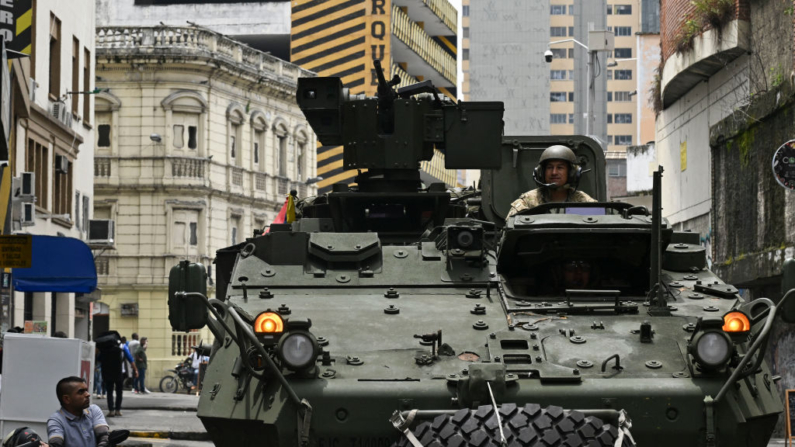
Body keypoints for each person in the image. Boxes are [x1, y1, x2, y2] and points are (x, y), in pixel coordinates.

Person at [507, 145, 596, 218]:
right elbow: (509, 229)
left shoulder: (584, 201)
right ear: (541, 173)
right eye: (549, 168)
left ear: (571, 173)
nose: (554, 172)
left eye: (560, 168)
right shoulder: (527, 201)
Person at [47, 376, 109, 447]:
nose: (88, 394)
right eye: (81, 392)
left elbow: (104, 437)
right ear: (66, 399)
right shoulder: (56, 420)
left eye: (86, 390)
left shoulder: (93, 410)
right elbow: (56, 443)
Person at [97, 333, 137, 417]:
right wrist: (135, 370)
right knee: (119, 392)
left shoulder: (104, 350)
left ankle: (111, 410)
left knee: (109, 392)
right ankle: (118, 410)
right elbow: (130, 359)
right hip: (119, 373)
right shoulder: (122, 348)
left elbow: (98, 359)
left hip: (107, 373)